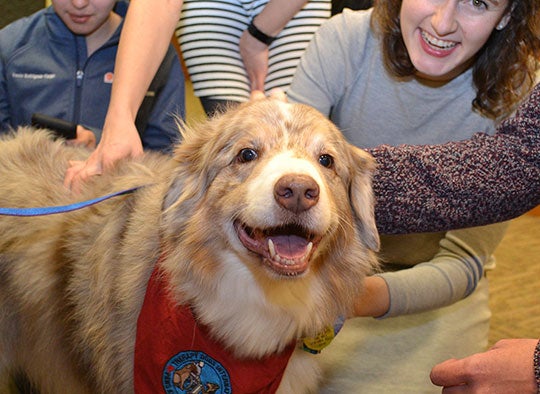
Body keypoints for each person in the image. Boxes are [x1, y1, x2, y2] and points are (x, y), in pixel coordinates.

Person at [286, 0, 539, 391]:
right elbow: (285, 181)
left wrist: (349, 298)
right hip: (316, 263)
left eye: (477, 3)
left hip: (427, 289)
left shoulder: (521, 93)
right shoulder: (344, 39)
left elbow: (464, 260)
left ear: (507, 15)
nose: (443, 22)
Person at [0, 0, 185, 152]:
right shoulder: (10, 45)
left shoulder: (155, 55)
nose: (79, 4)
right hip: (27, 189)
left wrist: (98, 141)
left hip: (116, 192)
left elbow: (167, 155)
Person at [176, 0, 331, 116]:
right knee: (232, 141)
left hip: (293, 7)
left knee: (301, 132)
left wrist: (258, 37)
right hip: (209, 9)